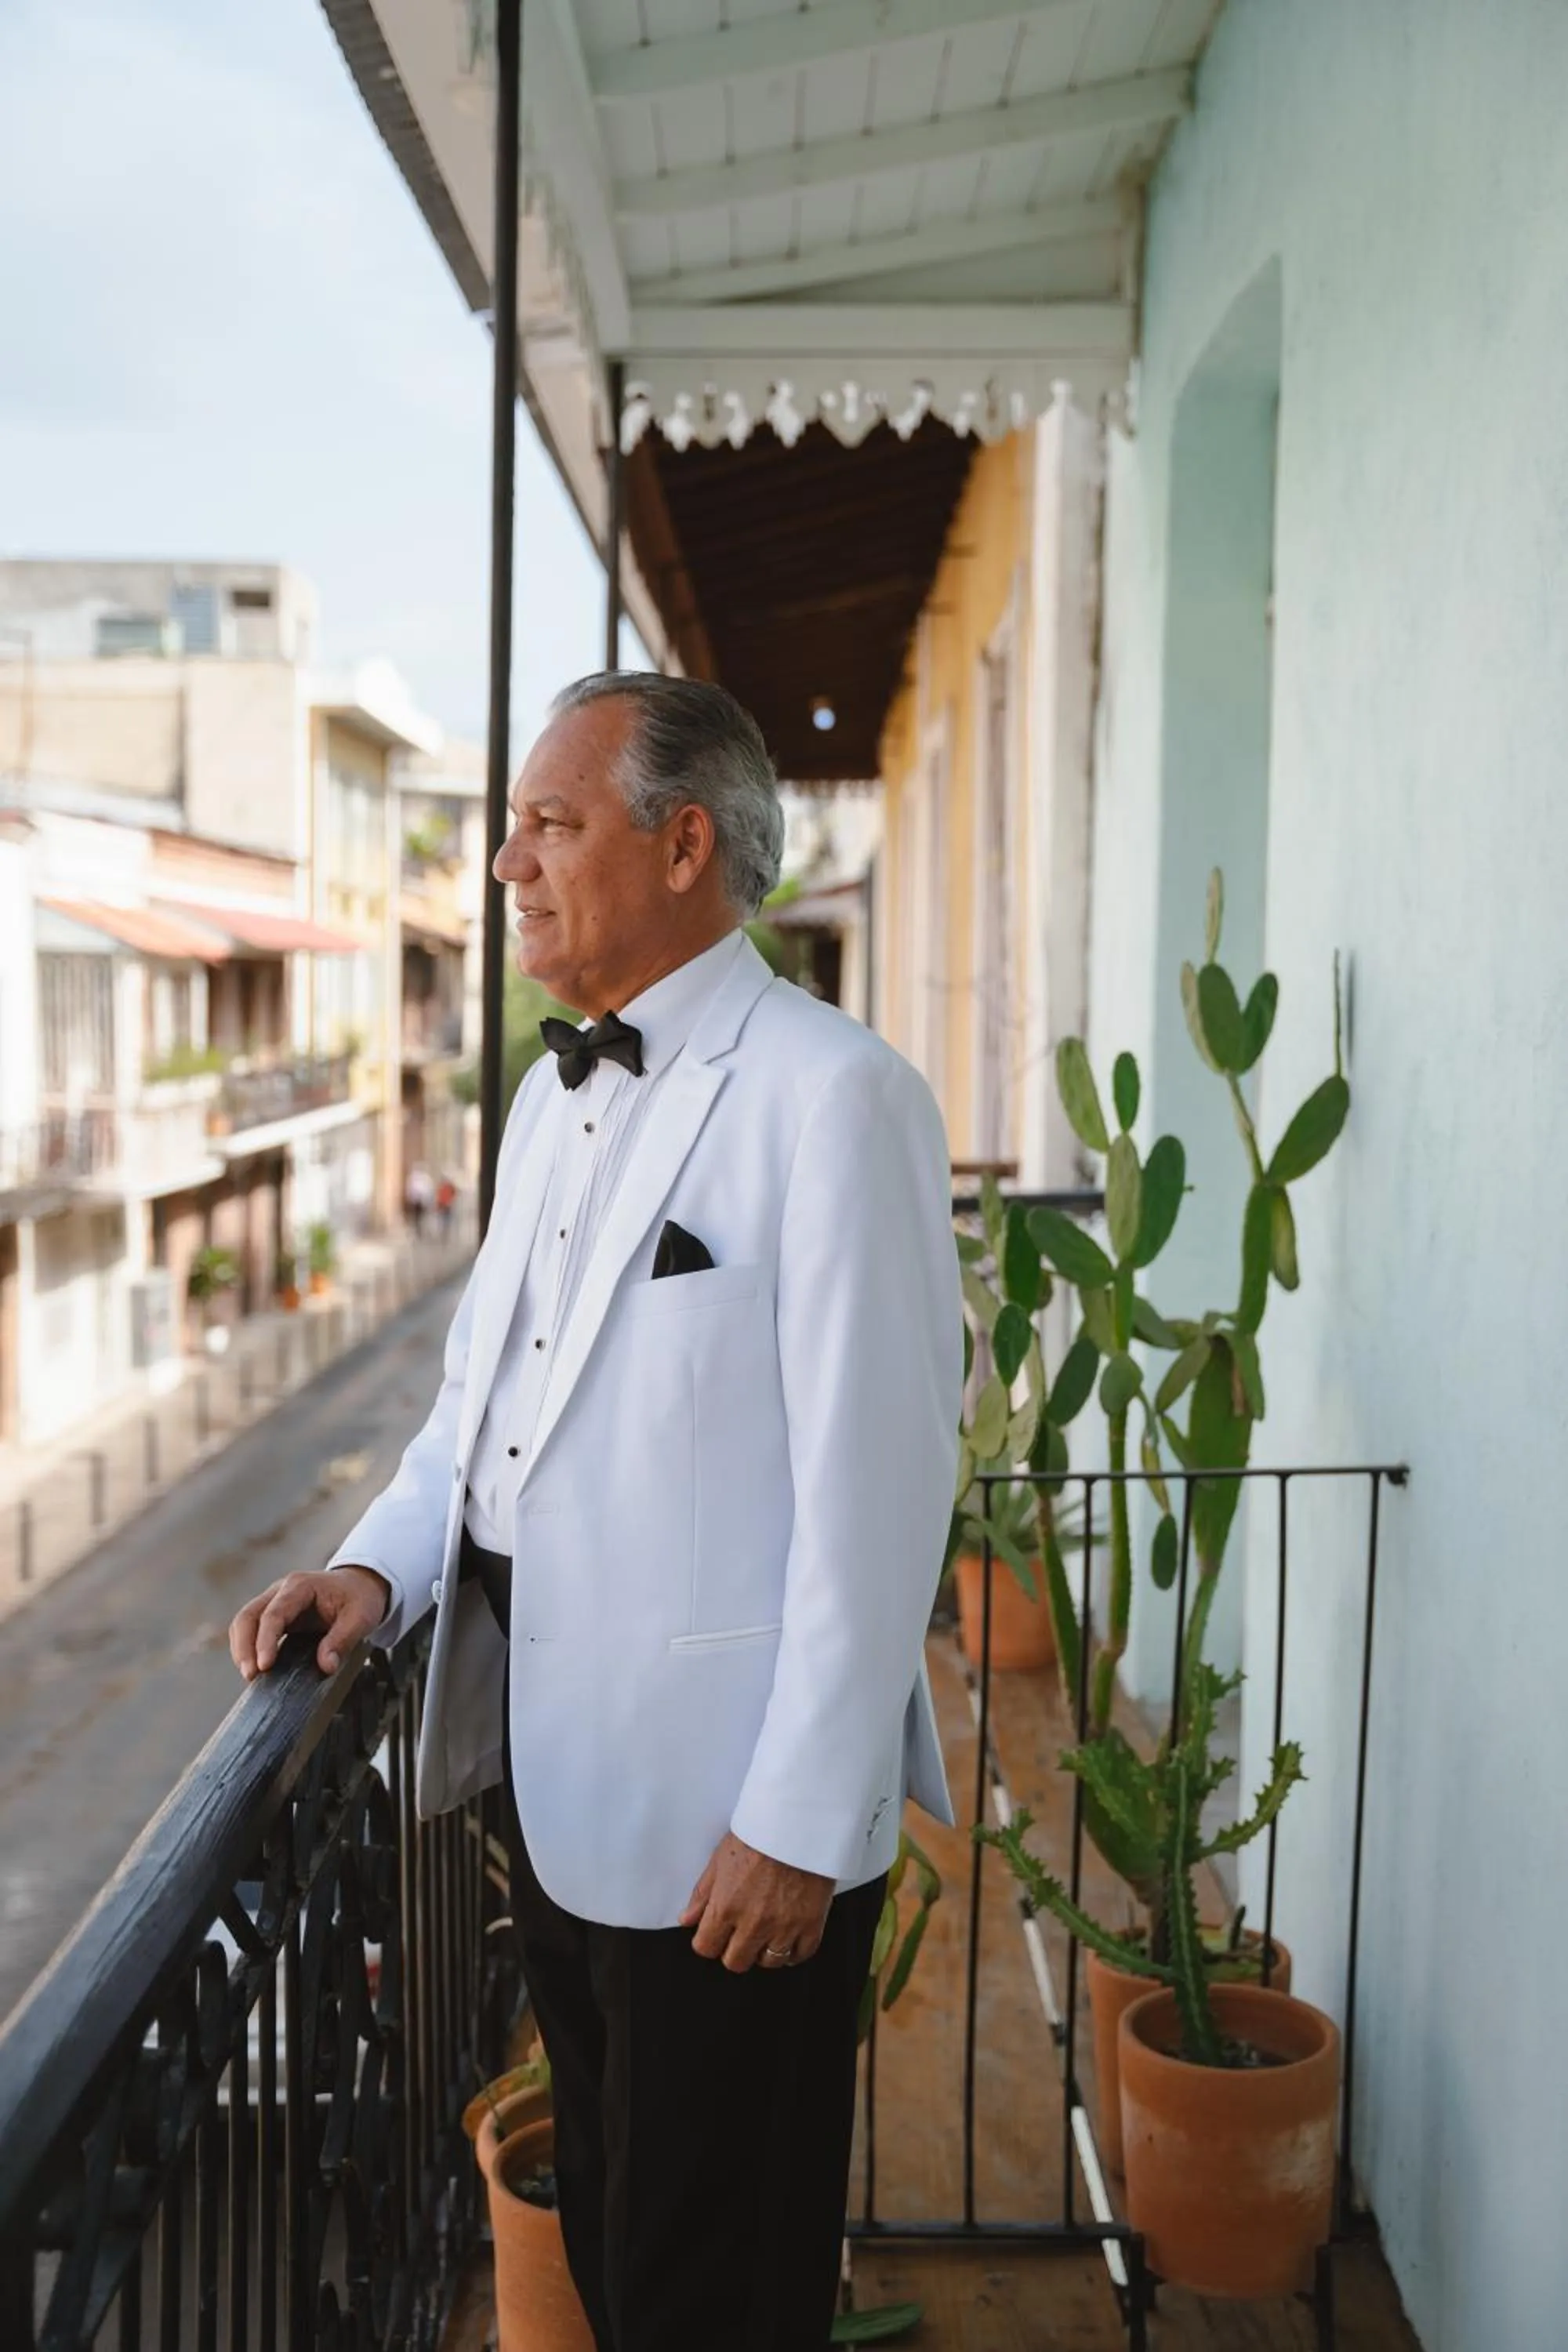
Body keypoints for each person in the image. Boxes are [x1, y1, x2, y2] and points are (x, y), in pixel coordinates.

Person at [228, 673, 961, 2351]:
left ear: (684, 842)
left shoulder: (833, 1098)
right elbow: (479, 1414)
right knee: (630, 2263)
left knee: (723, 2282)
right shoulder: (552, 1100)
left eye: (551, 824)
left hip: (732, 1833)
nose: (509, 865)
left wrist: (796, 1815)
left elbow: (882, 1489)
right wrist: (370, 1571)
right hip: (563, 1799)